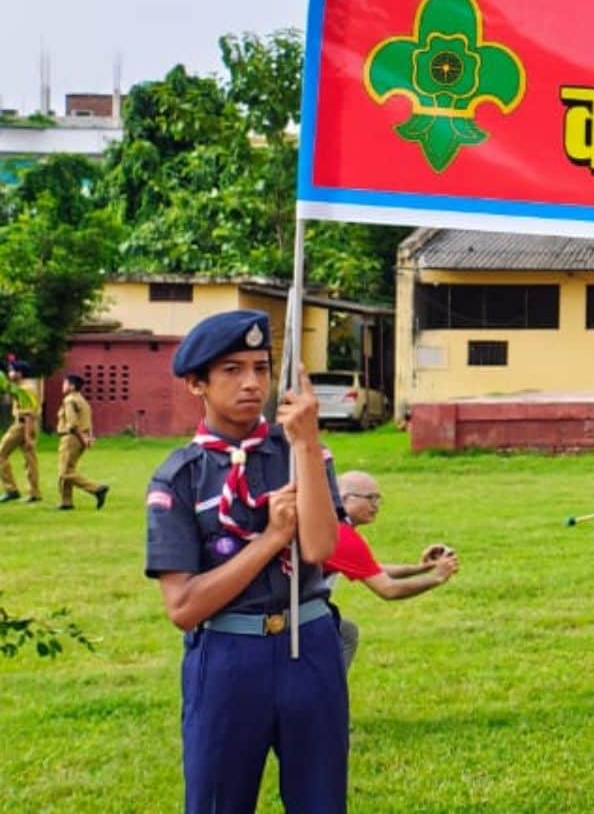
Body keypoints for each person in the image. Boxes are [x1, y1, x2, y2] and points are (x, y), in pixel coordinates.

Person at [144, 310, 345, 812]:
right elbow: (184, 607)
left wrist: (305, 442)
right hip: (229, 656)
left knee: (320, 799)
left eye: (260, 367)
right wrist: (271, 539)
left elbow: (321, 549)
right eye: (232, 370)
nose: (252, 383)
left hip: (310, 645)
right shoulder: (180, 479)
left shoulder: (302, 454)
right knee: (218, 801)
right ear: (197, 384)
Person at [322, 470, 459, 671]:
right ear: (344, 498)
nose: (376, 505)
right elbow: (388, 589)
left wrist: (421, 568)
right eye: (370, 498)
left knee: (346, 632)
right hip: (295, 615)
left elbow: (373, 570)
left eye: (378, 498)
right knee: (345, 634)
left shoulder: (328, 524)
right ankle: (328, 694)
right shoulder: (341, 535)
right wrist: (437, 577)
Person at [55, 373, 106, 510]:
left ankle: (96, 488)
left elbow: (72, 424)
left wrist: (82, 439)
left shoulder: (69, 400)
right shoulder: (82, 400)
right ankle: (66, 502)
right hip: (80, 437)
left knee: (64, 472)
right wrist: (88, 437)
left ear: (71, 386)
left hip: (71, 438)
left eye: (65, 383)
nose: (63, 386)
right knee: (68, 469)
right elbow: (87, 422)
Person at [0, 363, 42, 503]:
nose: (9, 373)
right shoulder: (26, 387)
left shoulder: (25, 389)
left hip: (22, 425)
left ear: (20, 373)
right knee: (30, 460)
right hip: (27, 425)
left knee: (1, 454)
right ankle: (34, 493)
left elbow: (28, 414)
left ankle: (11, 490)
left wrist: (27, 436)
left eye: (12, 371)